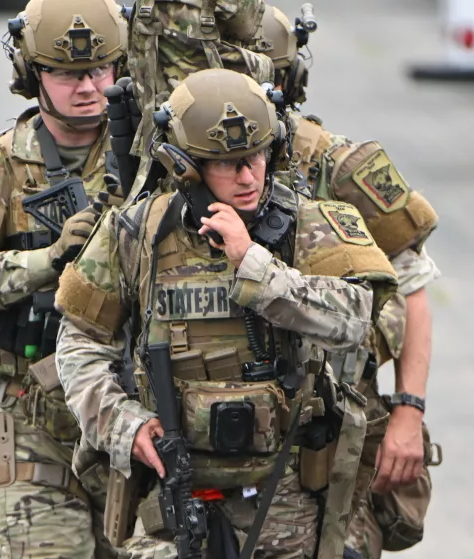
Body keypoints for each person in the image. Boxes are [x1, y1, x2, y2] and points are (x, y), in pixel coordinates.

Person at [54, 67, 399, 558]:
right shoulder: (135, 233)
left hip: (286, 495)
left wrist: (255, 266)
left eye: (256, 155)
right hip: (175, 487)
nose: (248, 176)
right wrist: (124, 424)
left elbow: (356, 318)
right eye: (227, 164)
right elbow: (79, 342)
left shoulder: (309, 221)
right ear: (186, 168)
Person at [0, 0, 129, 556]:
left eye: (98, 70)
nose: (86, 86)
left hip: (133, 416)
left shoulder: (151, 159)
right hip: (32, 419)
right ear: (31, 74)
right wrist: (46, 261)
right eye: (65, 72)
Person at [254, 7, 440, 557]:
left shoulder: (334, 166)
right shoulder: (177, 169)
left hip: (338, 431)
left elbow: (412, 291)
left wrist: (408, 411)